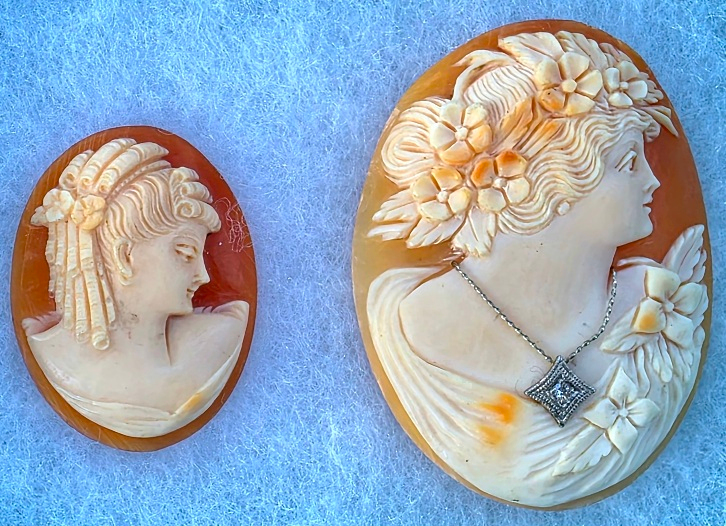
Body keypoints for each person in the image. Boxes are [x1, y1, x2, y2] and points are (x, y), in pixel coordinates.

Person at [366, 31, 708, 506]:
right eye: (629, 162)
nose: (653, 182)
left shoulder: (656, 302)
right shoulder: (419, 321)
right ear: (556, 184)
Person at [24, 138, 249, 438]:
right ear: (125, 256)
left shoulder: (218, 340)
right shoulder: (54, 356)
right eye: (185, 253)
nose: (203, 276)